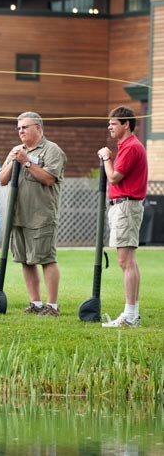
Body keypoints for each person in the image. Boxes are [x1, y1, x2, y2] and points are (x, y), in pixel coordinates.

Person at [0, 112, 67, 316]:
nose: (21, 131)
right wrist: (14, 161)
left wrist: (27, 162)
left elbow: (49, 179)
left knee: (46, 258)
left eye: (25, 127)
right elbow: (1, 180)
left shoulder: (52, 150)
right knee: (25, 260)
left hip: (41, 215)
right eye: (19, 128)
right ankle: (35, 303)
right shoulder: (16, 151)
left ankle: (52, 306)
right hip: (18, 215)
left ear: (38, 128)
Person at [97, 106, 148, 328]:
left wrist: (107, 157)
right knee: (128, 261)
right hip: (125, 206)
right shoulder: (128, 146)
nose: (109, 126)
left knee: (125, 261)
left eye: (113, 123)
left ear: (126, 124)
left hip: (126, 206)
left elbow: (115, 177)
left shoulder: (130, 147)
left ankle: (130, 315)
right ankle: (132, 314)